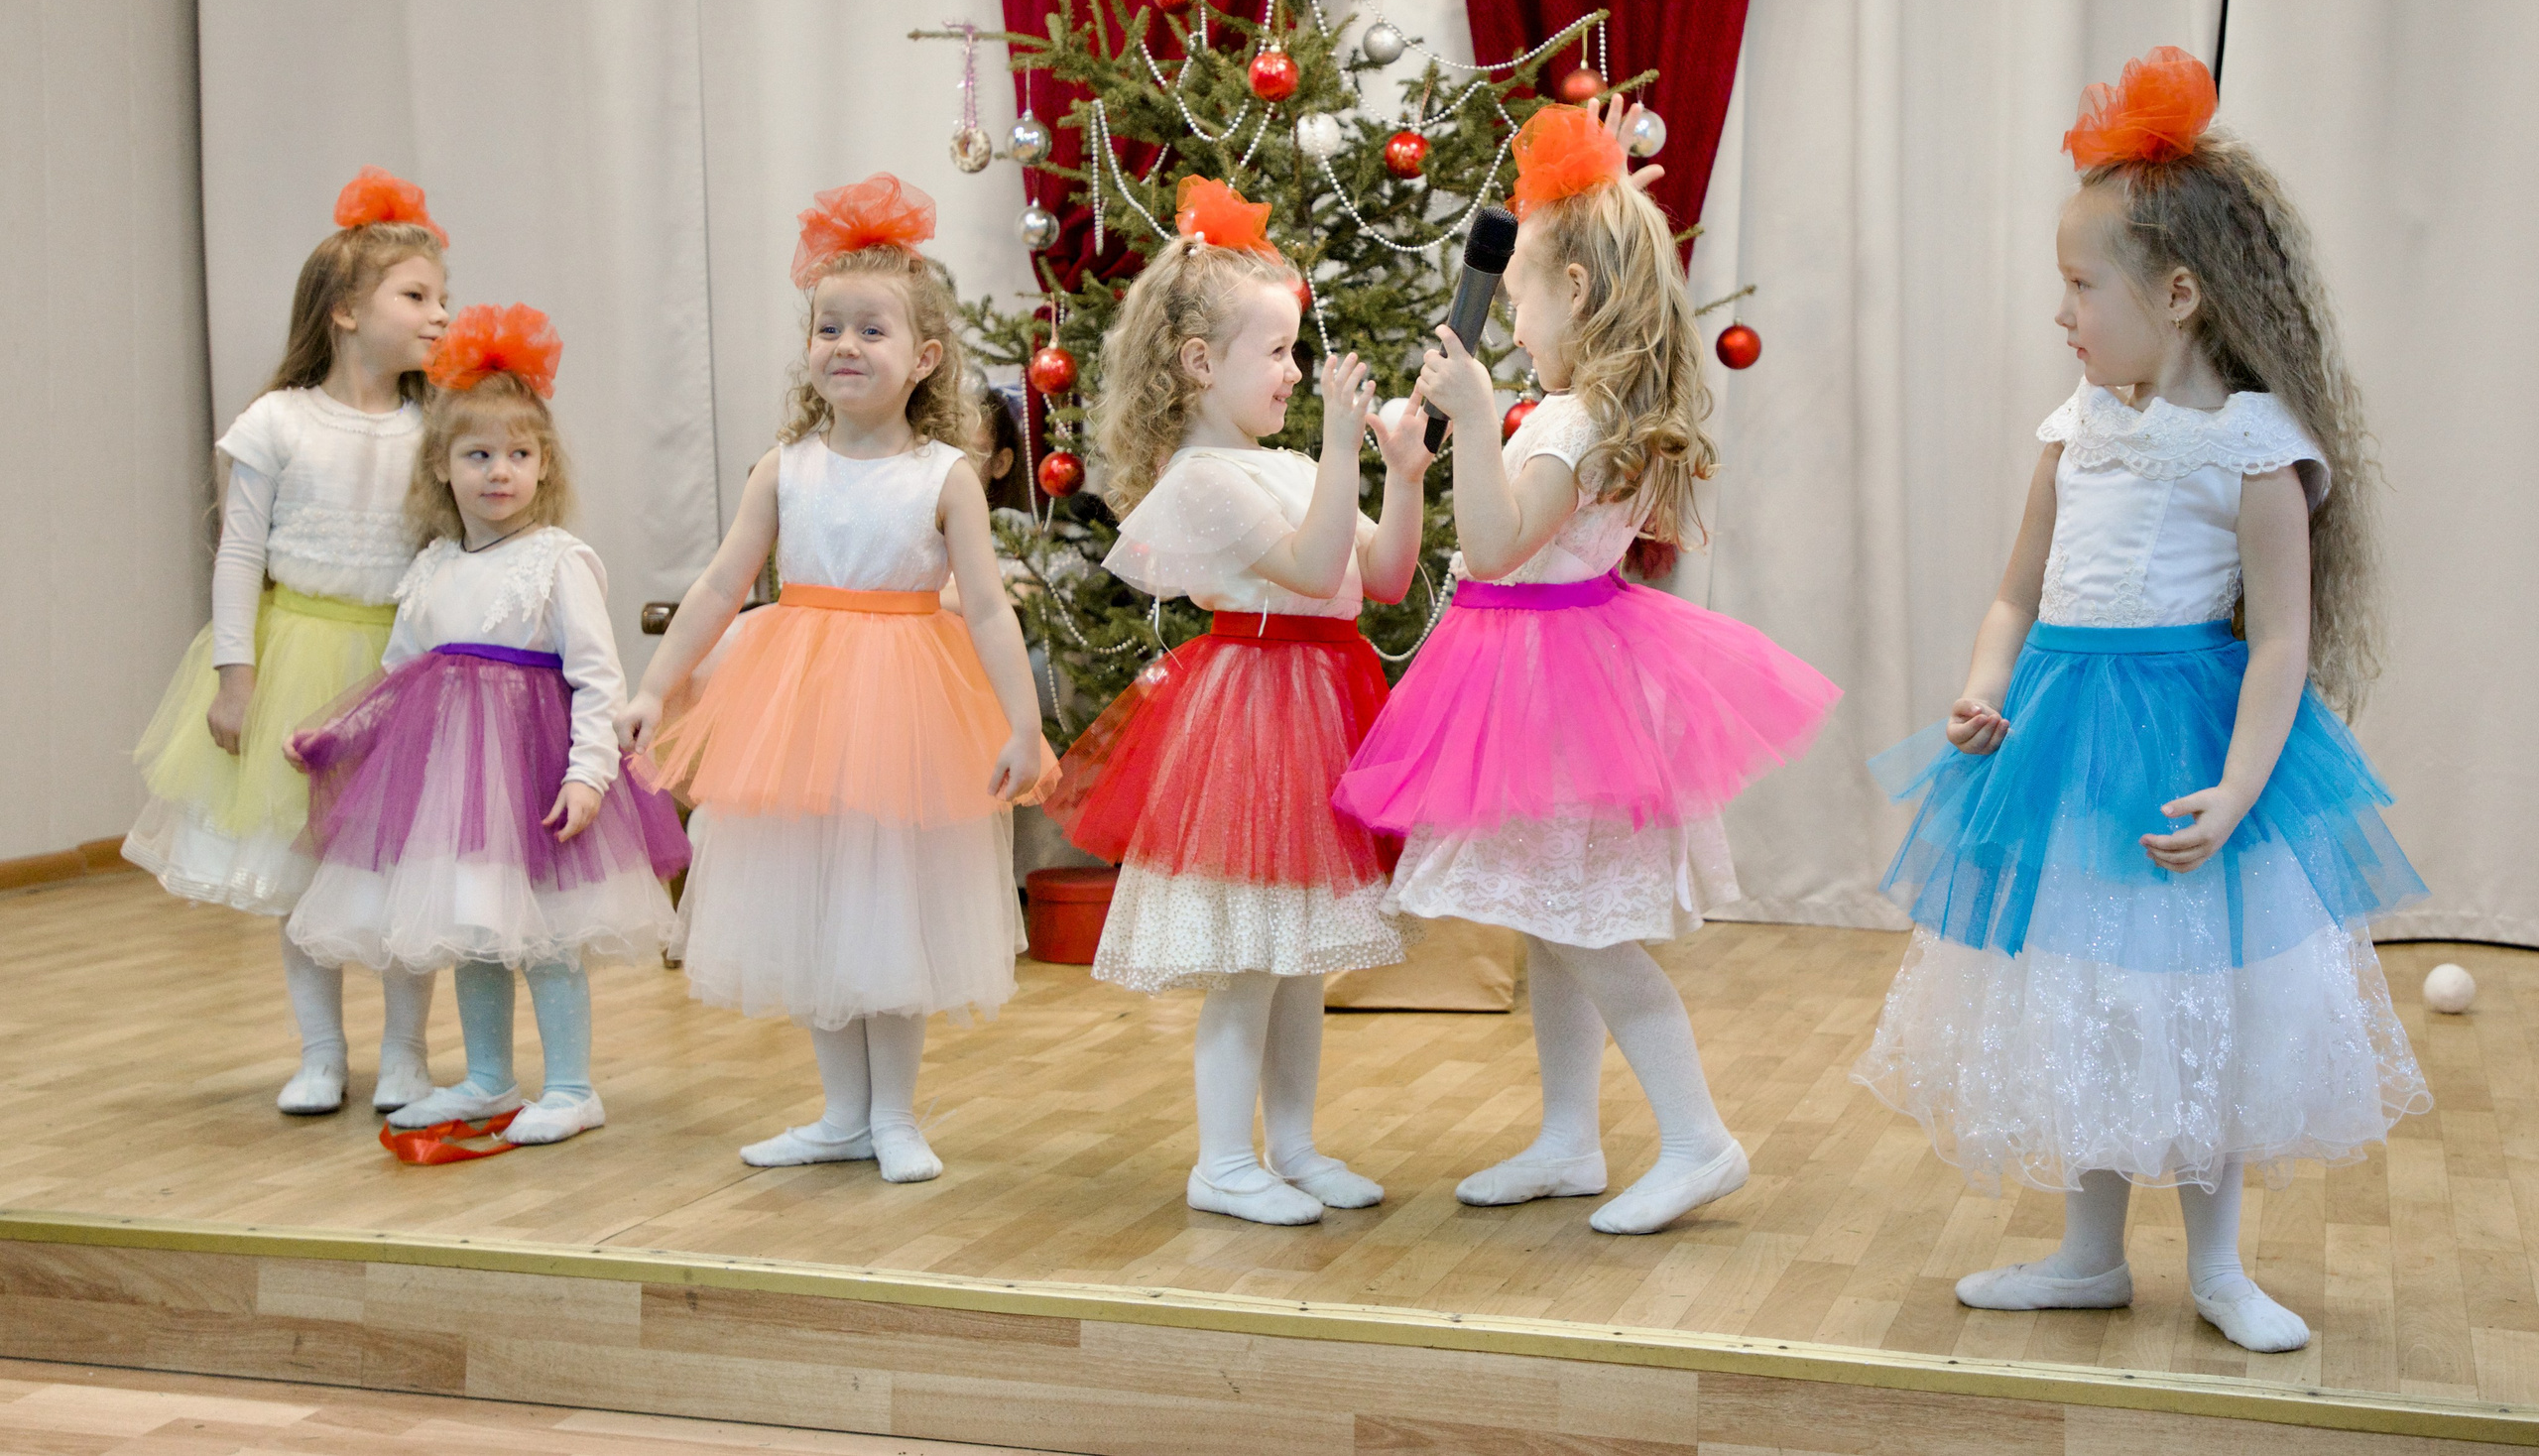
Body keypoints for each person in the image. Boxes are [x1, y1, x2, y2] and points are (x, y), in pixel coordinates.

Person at [1852, 48, 2431, 1352]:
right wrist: (1983, 685)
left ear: (2176, 293)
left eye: (2078, 285)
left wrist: (2235, 789)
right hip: (2061, 739)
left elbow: (2280, 643)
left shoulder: (2254, 446)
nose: (2061, 312)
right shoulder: (2077, 426)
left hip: (2185, 738)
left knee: (2196, 996)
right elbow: (2017, 590)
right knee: (2089, 990)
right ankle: (2088, 1252)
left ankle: (2219, 1263)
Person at [1336, 103, 1840, 1235]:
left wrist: (1470, 420)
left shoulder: (1572, 420)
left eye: (1518, 288)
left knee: (1582, 927)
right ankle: (1569, 1136)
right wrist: (1427, 455)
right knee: (1546, 917)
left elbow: (1503, 542)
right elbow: (1488, 541)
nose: (1506, 312)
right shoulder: (1571, 410)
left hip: (1554, 687)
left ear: (1576, 291)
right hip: (1529, 674)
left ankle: (1699, 1137)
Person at [621, 174, 1051, 1184]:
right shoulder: (785, 466)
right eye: (828, 328)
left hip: (904, 708)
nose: (846, 345)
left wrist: (1022, 725)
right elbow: (724, 583)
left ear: (924, 358)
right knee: (814, 904)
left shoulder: (942, 476)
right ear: (808, 347)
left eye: (871, 330)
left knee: (888, 905)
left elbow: (988, 609)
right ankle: (839, 1112)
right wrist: (652, 686)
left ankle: (893, 1114)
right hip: (797, 703)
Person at [1039, 178, 1428, 1226]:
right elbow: (1309, 568)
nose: (1295, 373)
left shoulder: (1293, 462)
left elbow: (1381, 578)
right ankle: (1221, 1159)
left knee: (1298, 956)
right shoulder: (1204, 479)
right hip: (1251, 712)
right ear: (1201, 362)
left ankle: (1291, 1144)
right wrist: (1345, 447)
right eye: (1277, 353)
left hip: (1322, 698)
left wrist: (1398, 470)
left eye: (1297, 351)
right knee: (1247, 958)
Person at [287, 304, 686, 1147]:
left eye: (518, 455)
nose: (498, 472)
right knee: (474, 935)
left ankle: (573, 1087)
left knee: (544, 937)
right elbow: (399, 679)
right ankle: (487, 1079)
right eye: (478, 456)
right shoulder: (431, 568)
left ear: (543, 467)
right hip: (454, 793)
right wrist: (339, 740)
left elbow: (596, 677)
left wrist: (588, 774)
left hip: (535, 784)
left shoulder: (558, 560)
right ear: (442, 467)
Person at [125, 169, 449, 1115]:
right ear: (347, 310)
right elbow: (238, 555)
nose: (438, 316)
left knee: (395, 876)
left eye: (443, 301)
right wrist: (236, 677)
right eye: (416, 296)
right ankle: (318, 1053)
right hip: (298, 657)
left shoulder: (434, 426)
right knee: (298, 876)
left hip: (396, 668)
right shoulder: (277, 422)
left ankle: (405, 1056)